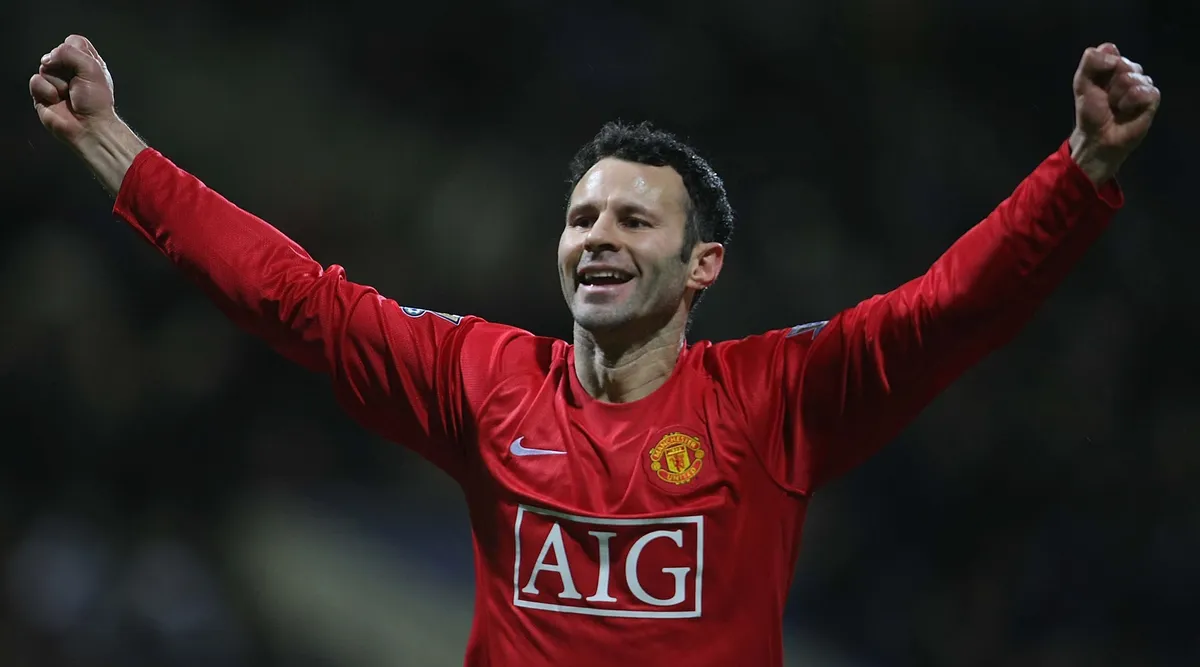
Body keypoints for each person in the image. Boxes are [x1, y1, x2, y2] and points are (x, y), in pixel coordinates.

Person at [30, 34, 1159, 667]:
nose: (597, 237)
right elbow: (290, 296)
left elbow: (946, 311)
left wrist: (1079, 171)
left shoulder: (776, 399)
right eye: (580, 218)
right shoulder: (483, 380)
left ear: (700, 267)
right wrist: (112, 142)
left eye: (632, 219)